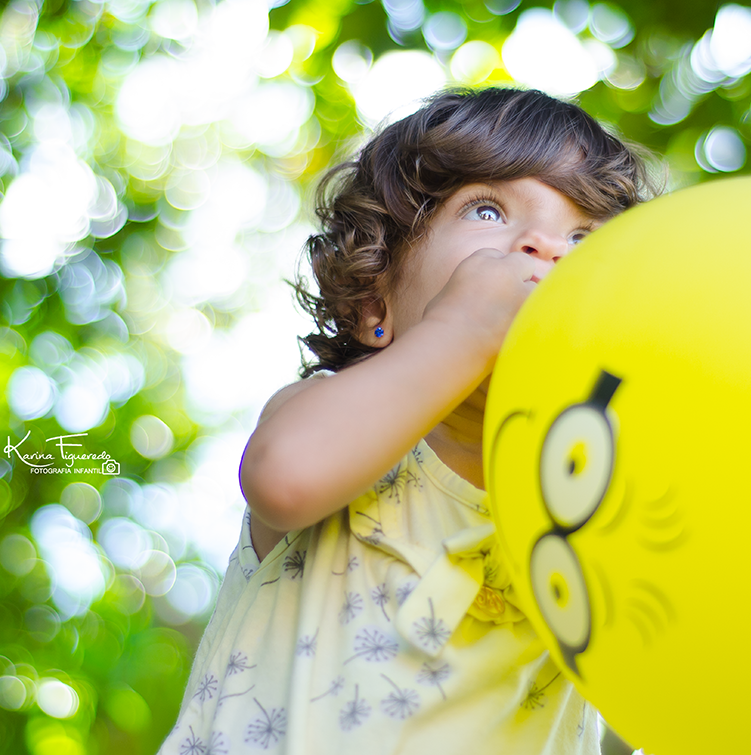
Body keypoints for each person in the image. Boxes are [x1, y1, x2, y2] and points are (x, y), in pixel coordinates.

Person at [157, 87, 653, 755]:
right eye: (489, 209)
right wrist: (462, 330)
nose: (543, 245)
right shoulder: (333, 420)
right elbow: (284, 476)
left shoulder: (601, 513)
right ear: (374, 304)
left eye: (585, 239)